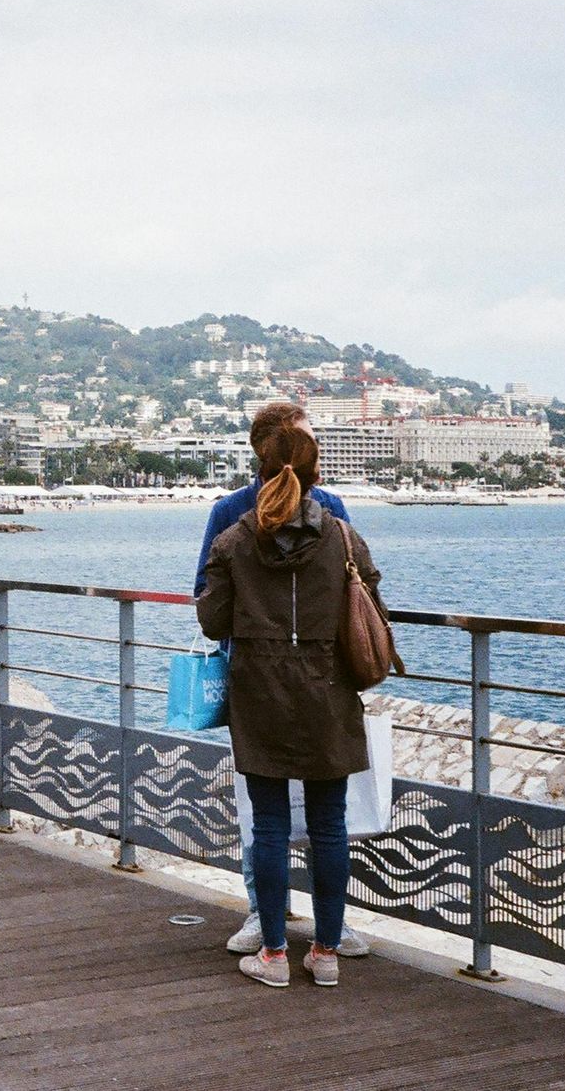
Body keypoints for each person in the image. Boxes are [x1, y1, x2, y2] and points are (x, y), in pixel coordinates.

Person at [197, 421, 384, 987]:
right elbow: (372, 603)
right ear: (315, 472)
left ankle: (273, 954)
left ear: (258, 469)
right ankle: (326, 953)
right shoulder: (345, 538)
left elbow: (211, 622)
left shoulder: (233, 540)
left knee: (271, 826)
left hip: (260, 695)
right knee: (330, 824)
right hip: (329, 693)